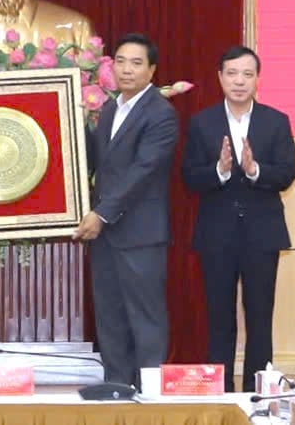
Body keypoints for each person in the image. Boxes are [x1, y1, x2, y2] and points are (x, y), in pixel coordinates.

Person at [181, 45, 295, 392]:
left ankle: (257, 392)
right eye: (232, 73)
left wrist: (254, 169)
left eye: (247, 74)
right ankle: (220, 393)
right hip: (217, 235)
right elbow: (189, 177)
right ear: (219, 77)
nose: (239, 81)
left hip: (262, 234)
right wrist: (220, 170)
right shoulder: (202, 123)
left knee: (260, 319)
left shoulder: (276, 121)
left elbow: (287, 173)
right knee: (220, 320)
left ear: (258, 79)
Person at [73, 33, 179, 387]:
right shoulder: (109, 108)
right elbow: (96, 165)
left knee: (145, 316)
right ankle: (116, 386)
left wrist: (100, 214)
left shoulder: (161, 114)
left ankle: (149, 390)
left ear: (152, 70)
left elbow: (142, 172)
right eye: (120, 61)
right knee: (110, 316)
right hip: (105, 235)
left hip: (139, 234)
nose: (127, 70)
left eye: (136, 63)